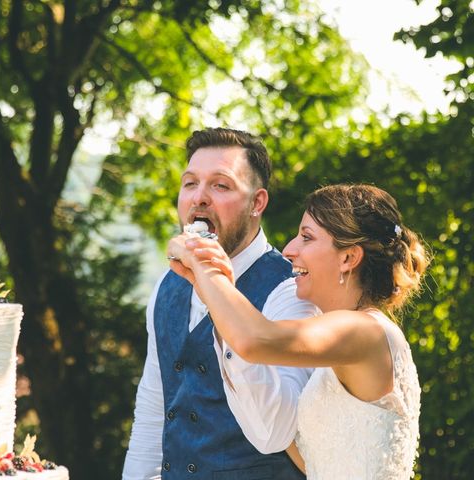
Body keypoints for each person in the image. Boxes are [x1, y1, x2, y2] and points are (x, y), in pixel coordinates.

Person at [167, 183, 428, 479]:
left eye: (306, 237)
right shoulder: (337, 350)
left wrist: (206, 267)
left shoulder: (365, 332)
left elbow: (255, 339)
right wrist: (210, 291)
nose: (289, 250)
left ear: (348, 258)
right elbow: (280, 439)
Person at [122, 127, 318, 479]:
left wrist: (218, 291)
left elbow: (284, 429)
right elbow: (154, 407)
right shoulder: (166, 287)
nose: (199, 198)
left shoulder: (291, 290)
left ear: (257, 203)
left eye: (220, 185)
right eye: (190, 183)